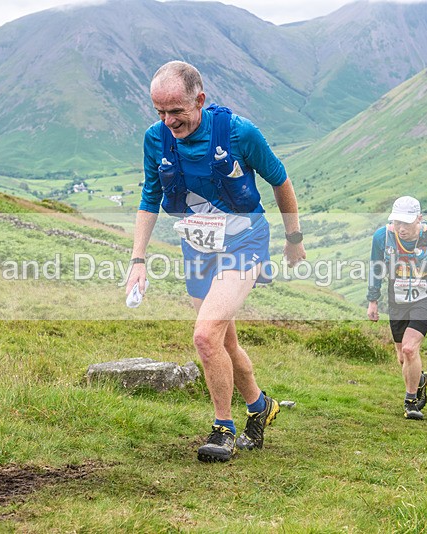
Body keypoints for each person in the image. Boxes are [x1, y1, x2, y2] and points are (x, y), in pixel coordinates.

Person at [125, 60, 306, 462]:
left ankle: (223, 428)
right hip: (198, 247)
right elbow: (149, 198)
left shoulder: (240, 132)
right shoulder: (155, 139)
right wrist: (138, 259)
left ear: (200, 100)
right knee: (224, 341)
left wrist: (293, 239)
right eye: (160, 112)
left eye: (176, 111)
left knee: (205, 336)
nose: (168, 121)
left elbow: (280, 180)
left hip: (245, 242)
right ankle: (260, 407)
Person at [366, 196, 427, 420]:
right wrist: (373, 300)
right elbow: (376, 269)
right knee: (402, 357)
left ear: (419, 219)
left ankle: (411, 402)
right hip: (397, 297)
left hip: (426, 297)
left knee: (409, 349)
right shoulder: (382, 237)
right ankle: (421, 379)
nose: (401, 228)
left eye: (406, 223)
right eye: (397, 222)